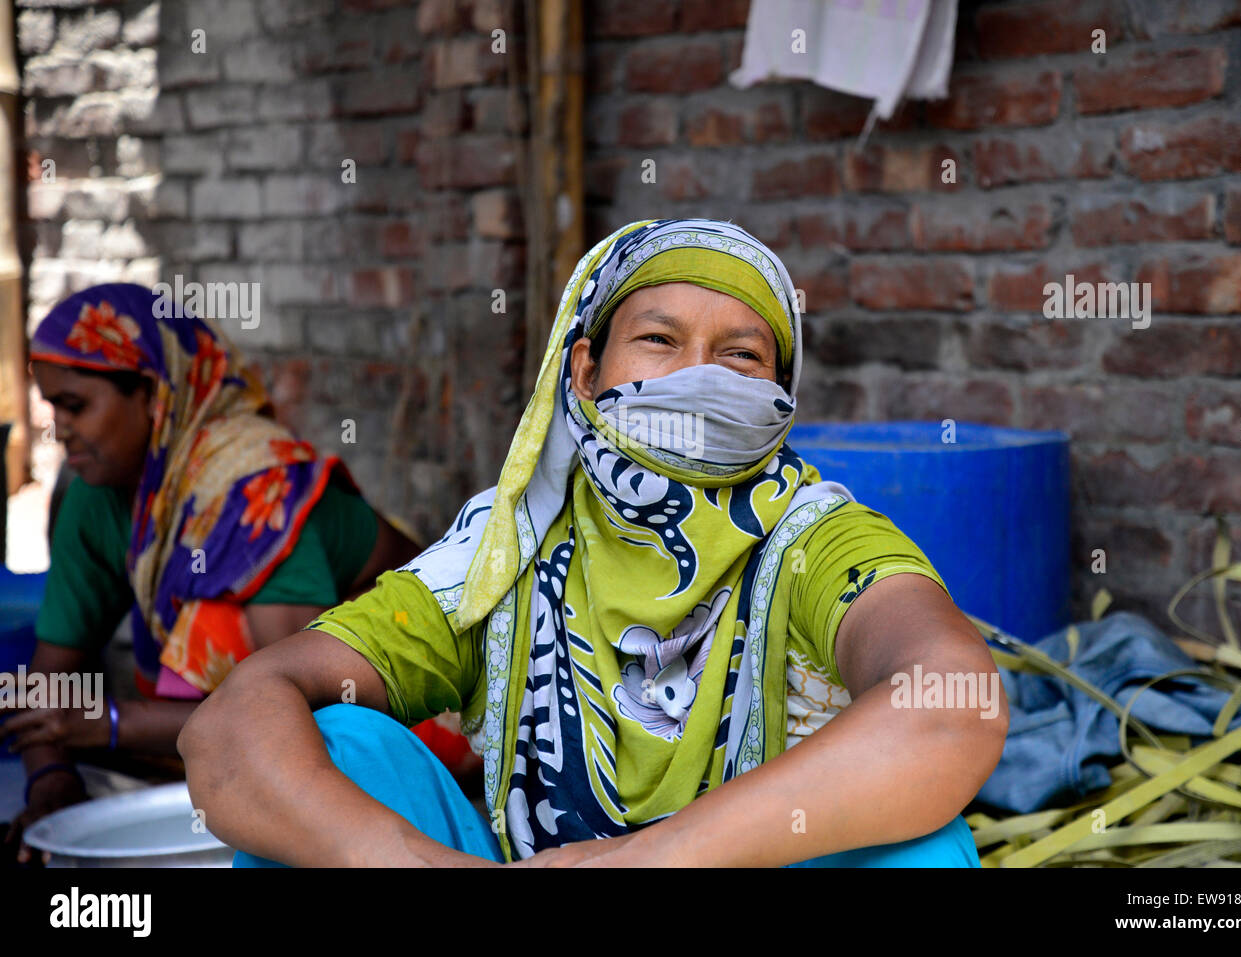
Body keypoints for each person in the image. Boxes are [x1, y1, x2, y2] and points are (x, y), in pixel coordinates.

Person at [181, 218, 1008, 867]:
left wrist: (650, 859)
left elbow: (952, 705)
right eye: (658, 340)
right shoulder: (502, 559)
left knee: (922, 849)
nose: (696, 377)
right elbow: (232, 726)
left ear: (783, 400)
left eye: (741, 355)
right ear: (584, 372)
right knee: (343, 747)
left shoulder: (816, 542)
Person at [3, 283, 422, 862]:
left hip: (403, 711)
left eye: (76, 406)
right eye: (52, 407)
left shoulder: (256, 491)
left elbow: (304, 707)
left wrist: (115, 722)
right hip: (254, 735)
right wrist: (51, 782)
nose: (59, 428)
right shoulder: (95, 499)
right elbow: (47, 687)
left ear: (152, 394)